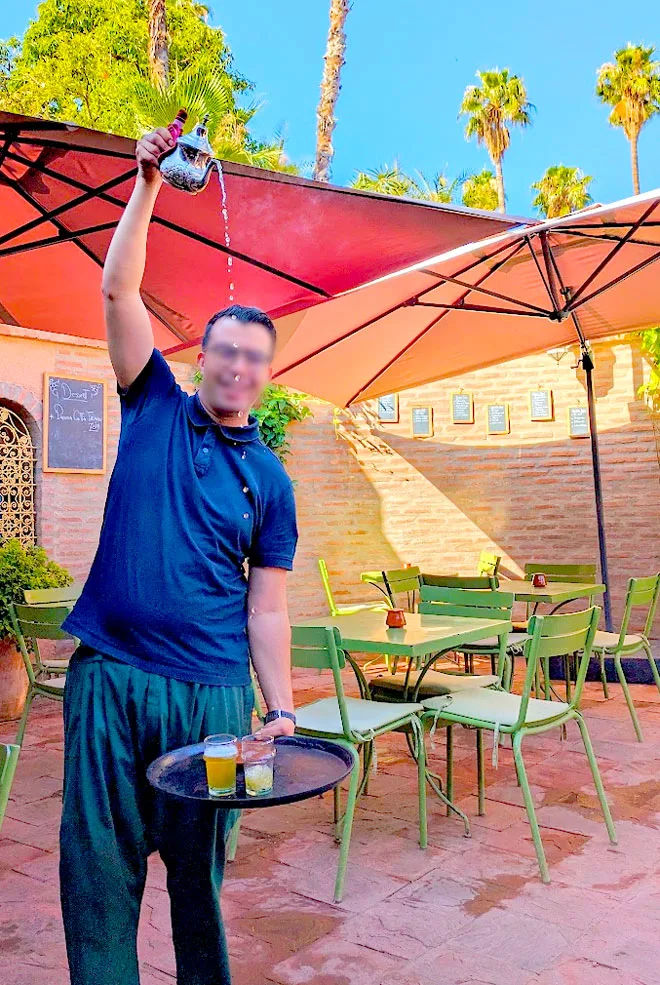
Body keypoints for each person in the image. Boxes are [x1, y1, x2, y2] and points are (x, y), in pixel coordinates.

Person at [60, 126, 298, 985]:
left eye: (254, 359)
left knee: (198, 885)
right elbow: (116, 287)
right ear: (202, 357)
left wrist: (282, 707)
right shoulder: (151, 400)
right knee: (97, 880)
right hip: (110, 679)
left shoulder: (270, 480)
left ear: (268, 376)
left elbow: (266, 605)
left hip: (210, 696)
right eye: (225, 351)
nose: (237, 366)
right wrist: (149, 183)